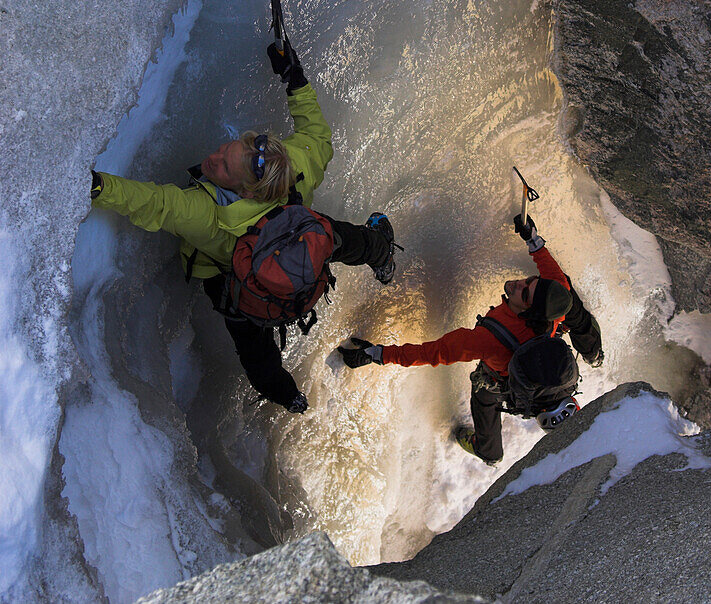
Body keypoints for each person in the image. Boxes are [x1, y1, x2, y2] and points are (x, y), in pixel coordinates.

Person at [91, 41, 397, 414]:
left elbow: (153, 203)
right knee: (342, 239)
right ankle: (381, 254)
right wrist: (293, 77)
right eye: (225, 151)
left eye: (221, 167)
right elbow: (317, 135)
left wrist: (97, 186)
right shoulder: (295, 168)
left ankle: (286, 396)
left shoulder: (205, 213)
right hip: (297, 238)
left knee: (255, 350)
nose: (213, 158)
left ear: (245, 189)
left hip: (236, 281)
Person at [339, 213, 602, 464]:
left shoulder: (487, 340)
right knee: (572, 306)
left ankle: (487, 451)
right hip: (539, 360)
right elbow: (555, 277)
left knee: (485, 394)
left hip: (502, 380)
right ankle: (594, 353)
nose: (518, 283)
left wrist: (376, 355)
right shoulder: (554, 304)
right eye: (529, 281)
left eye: (524, 293)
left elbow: (430, 353)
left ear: (529, 311)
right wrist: (532, 239)